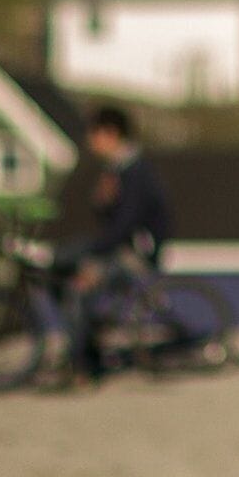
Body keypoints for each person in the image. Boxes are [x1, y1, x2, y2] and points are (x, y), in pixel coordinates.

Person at [50, 106, 172, 385]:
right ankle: (85, 337)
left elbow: (124, 227)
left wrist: (94, 261)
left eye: (94, 134)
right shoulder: (118, 169)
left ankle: (82, 365)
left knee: (79, 287)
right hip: (120, 245)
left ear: (110, 134)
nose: (90, 141)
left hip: (136, 253)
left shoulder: (135, 172)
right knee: (57, 263)